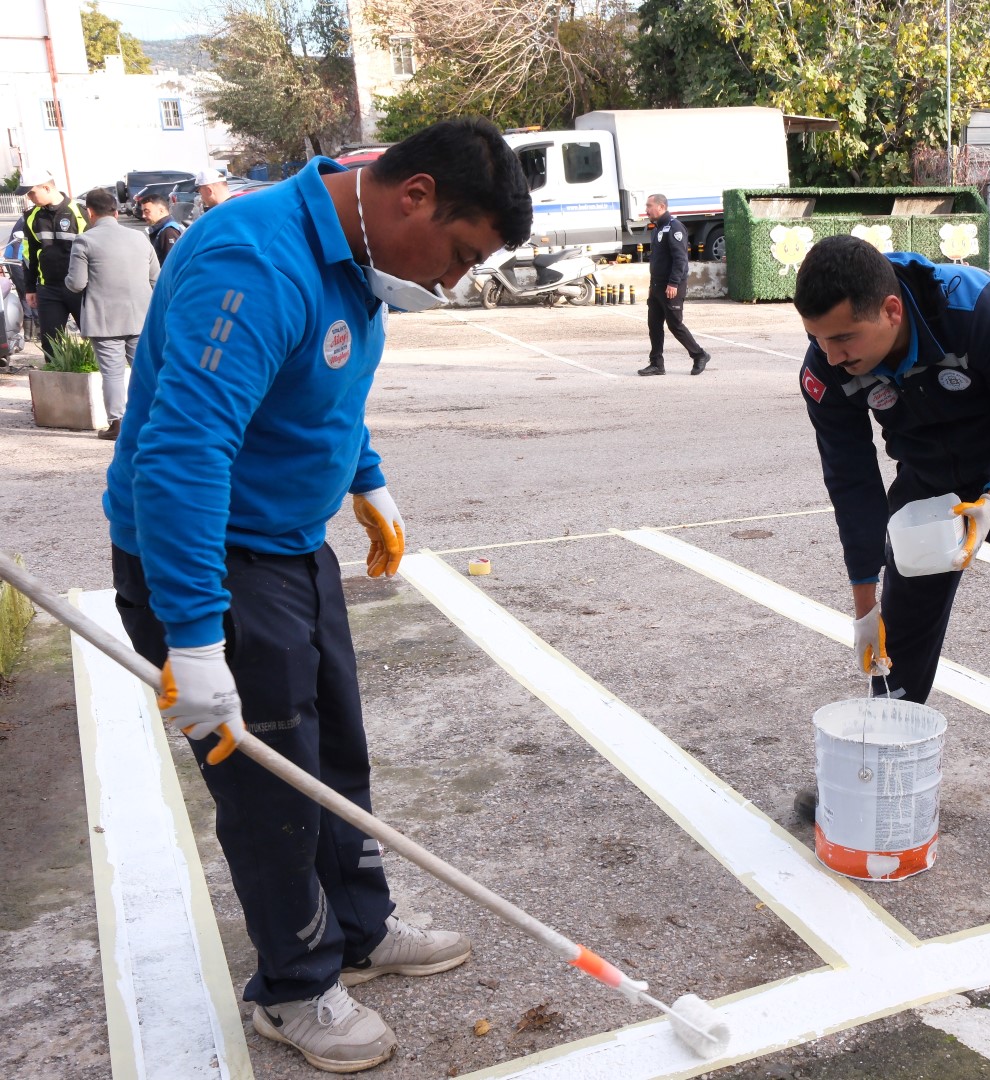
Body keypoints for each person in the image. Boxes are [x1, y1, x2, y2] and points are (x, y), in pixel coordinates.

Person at [103, 119, 532, 1073]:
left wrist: (364, 477)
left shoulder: (357, 253)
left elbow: (322, 394)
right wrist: (194, 637)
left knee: (331, 749)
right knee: (270, 787)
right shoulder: (253, 262)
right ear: (412, 194)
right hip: (216, 559)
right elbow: (182, 456)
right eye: (459, 256)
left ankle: (359, 928)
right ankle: (293, 988)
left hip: (294, 549)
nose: (453, 281)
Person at [792, 235, 990, 874]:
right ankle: (872, 765)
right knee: (903, 629)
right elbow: (851, 482)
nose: (832, 354)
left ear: (891, 312)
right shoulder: (825, 372)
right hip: (929, 477)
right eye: (819, 339)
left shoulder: (974, 309)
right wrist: (863, 605)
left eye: (845, 339)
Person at [64, 188, 160, 441]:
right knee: (146, 369)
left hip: (104, 320)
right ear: (116, 212)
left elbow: (76, 283)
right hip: (141, 316)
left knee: (113, 374)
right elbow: (155, 279)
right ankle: (158, 420)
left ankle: (118, 424)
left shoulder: (85, 240)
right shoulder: (140, 237)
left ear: (89, 212)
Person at [17, 167, 86, 364]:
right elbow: (29, 255)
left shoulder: (78, 212)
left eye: (31, 192)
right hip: (49, 289)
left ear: (47, 188)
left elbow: (94, 251)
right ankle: (56, 388)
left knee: (94, 338)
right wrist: (30, 288)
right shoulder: (32, 217)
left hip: (80, 288)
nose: (29, 198)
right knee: (50, 344)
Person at [638, 193, 710, 376]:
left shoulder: (674, 227)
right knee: (654, 325)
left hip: (671, 286)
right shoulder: (657, 229)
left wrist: (673, 283)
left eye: (649, 206)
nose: (646, 210)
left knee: (674, 324)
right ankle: (656, 363)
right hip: (656, 286)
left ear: (661, 207)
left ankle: (699, 355)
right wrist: (652, 285)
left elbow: (680, 260)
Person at [139, 192, 184, 265]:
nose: (143, 216)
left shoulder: (168, 231)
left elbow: (172, 263)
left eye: (147, 212)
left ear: (161, 211)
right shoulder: (164, 229)